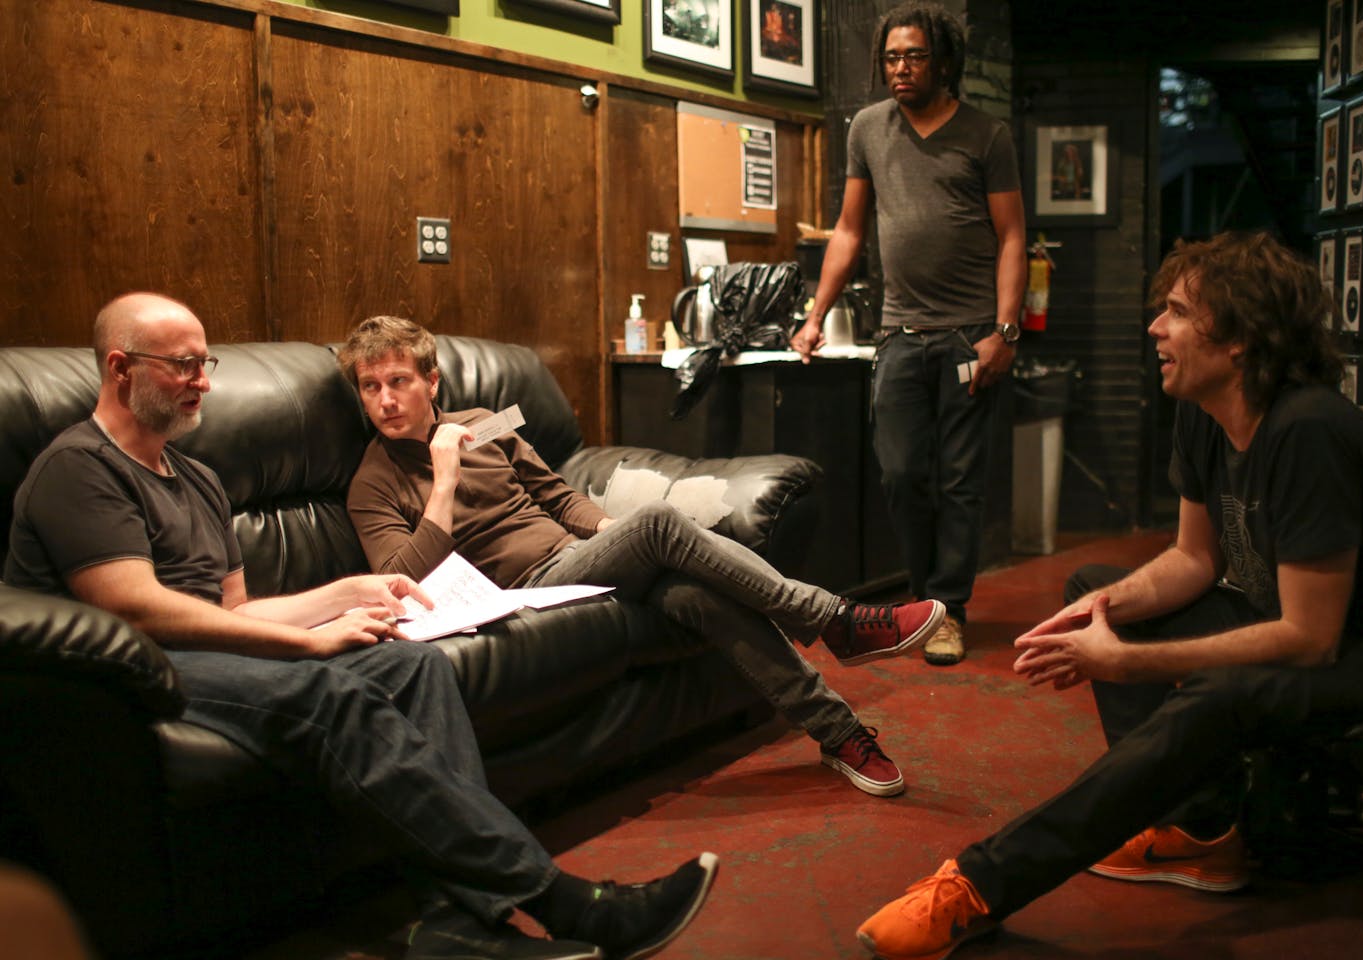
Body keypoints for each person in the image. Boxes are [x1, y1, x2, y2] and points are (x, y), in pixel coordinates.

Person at [5, 293, 720, 960]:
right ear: (120, 370)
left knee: (413, 663)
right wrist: (306, 642)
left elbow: (231, 613)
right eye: (184, 366)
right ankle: (571, 904)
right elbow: (138, 610)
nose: (203, 382)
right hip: (137, 676)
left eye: (205, 363)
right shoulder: (80, 467)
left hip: (208, 651)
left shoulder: (197, 479)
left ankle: (455, 922)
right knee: (328, 690)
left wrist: (345, 594)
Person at [854, 231, 1363, 958]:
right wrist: (1101, 616)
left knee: (1217, 693)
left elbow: (1310, 638)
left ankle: (978, 885)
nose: (1155, 328)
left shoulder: (1306, 429)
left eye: (1179, 313)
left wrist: (1124, 663)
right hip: (1311, 625)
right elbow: (1194, 559)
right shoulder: (1204, 410)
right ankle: (1199, 831)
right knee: (1096, 592)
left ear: (1240, 341)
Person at [338, 315, 947, 799]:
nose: (386, 400)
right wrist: (443, 481)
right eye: (372, 387)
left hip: (580, 560)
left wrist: (611, 538)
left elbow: (555, 494)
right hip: (523, 591)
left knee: (692, 592)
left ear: (432, 382)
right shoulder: (372, 480)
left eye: (399, 381)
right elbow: (403, 579)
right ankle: (833, 619)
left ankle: (838, 732)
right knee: (657, 522)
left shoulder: (485, 424)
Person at [789, 0, 1027, 668]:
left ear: (943, 61)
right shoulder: (868, 128)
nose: (900, 68)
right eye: (891, 56)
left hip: (968, 335)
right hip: (899, 334)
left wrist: (1004, 332)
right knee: (898, 473)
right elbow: (849, 231)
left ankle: (945, 610)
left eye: (914, 56)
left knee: (959, 481)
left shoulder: (987, 135)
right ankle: (926, 603)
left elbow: (1013, 236)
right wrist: (813, 317)